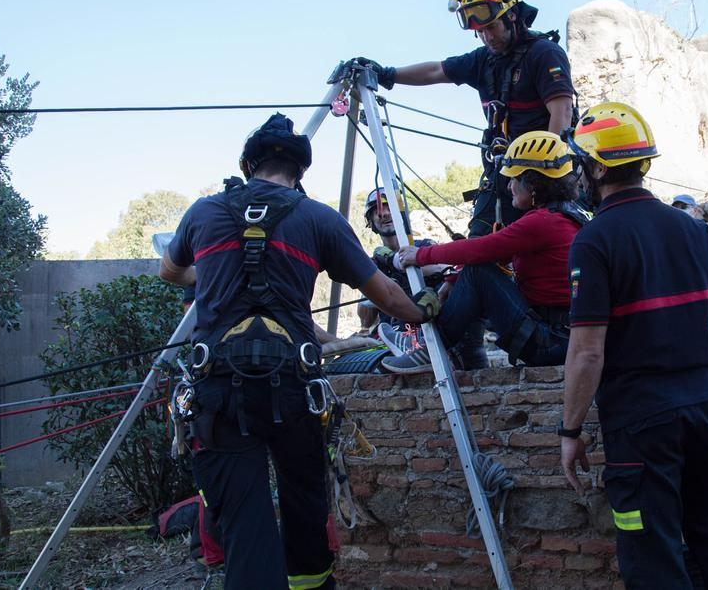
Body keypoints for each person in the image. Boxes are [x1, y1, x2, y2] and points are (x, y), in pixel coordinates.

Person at [159, 113, 440, 590]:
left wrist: (208, 275)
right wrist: (424, 310)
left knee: (245, 528)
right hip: (292, 388)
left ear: (249, 164)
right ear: (300, 173)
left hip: (219, 393)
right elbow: (385, 296)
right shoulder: (318, 219)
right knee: (305, 509)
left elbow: (170, 271)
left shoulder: (203, 213)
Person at [557, 103, 708, 589]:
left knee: (651, 550)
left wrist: (570, 430)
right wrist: (698, 375)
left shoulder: (594, 240)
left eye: (580, 163)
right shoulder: (697, 231)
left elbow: (588, 352)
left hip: (640, 425)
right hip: (703, 407)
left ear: (596, 167)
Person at [350, 0, 576, 236]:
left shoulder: (543, 53)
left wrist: (546, 178)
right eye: (480, 31)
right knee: (481, 242)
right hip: (504, 174)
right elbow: (436, 70)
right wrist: (387, 74)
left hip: (544, 176)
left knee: (544, 243)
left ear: (511, 16)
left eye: (491, 27)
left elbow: (562, 113)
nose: (487, 37)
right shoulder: (483, 60)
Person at [378, 130, 586, 373]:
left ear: (533, 184)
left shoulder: (541, 223)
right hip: (560, 338)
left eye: (514, 179)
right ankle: (433, 348)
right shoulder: (566, 216)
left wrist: (421, 255)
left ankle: (430, 350)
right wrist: (453, 279)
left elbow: (479, 249)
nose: (509, 187)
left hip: (547, 342)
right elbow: (497, 255)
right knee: (476, 270)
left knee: (478, 272)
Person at [359, 187, 490, 369]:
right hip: (393, 343)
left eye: (390, 208)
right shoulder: (372, 265)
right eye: (377, 211)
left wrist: (400, 264)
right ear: (371, 221)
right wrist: (370, 284)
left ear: (402, 214)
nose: (384, 214)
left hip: (432, 337)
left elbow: (445, 269)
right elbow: (365, 319)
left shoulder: (424, 247)